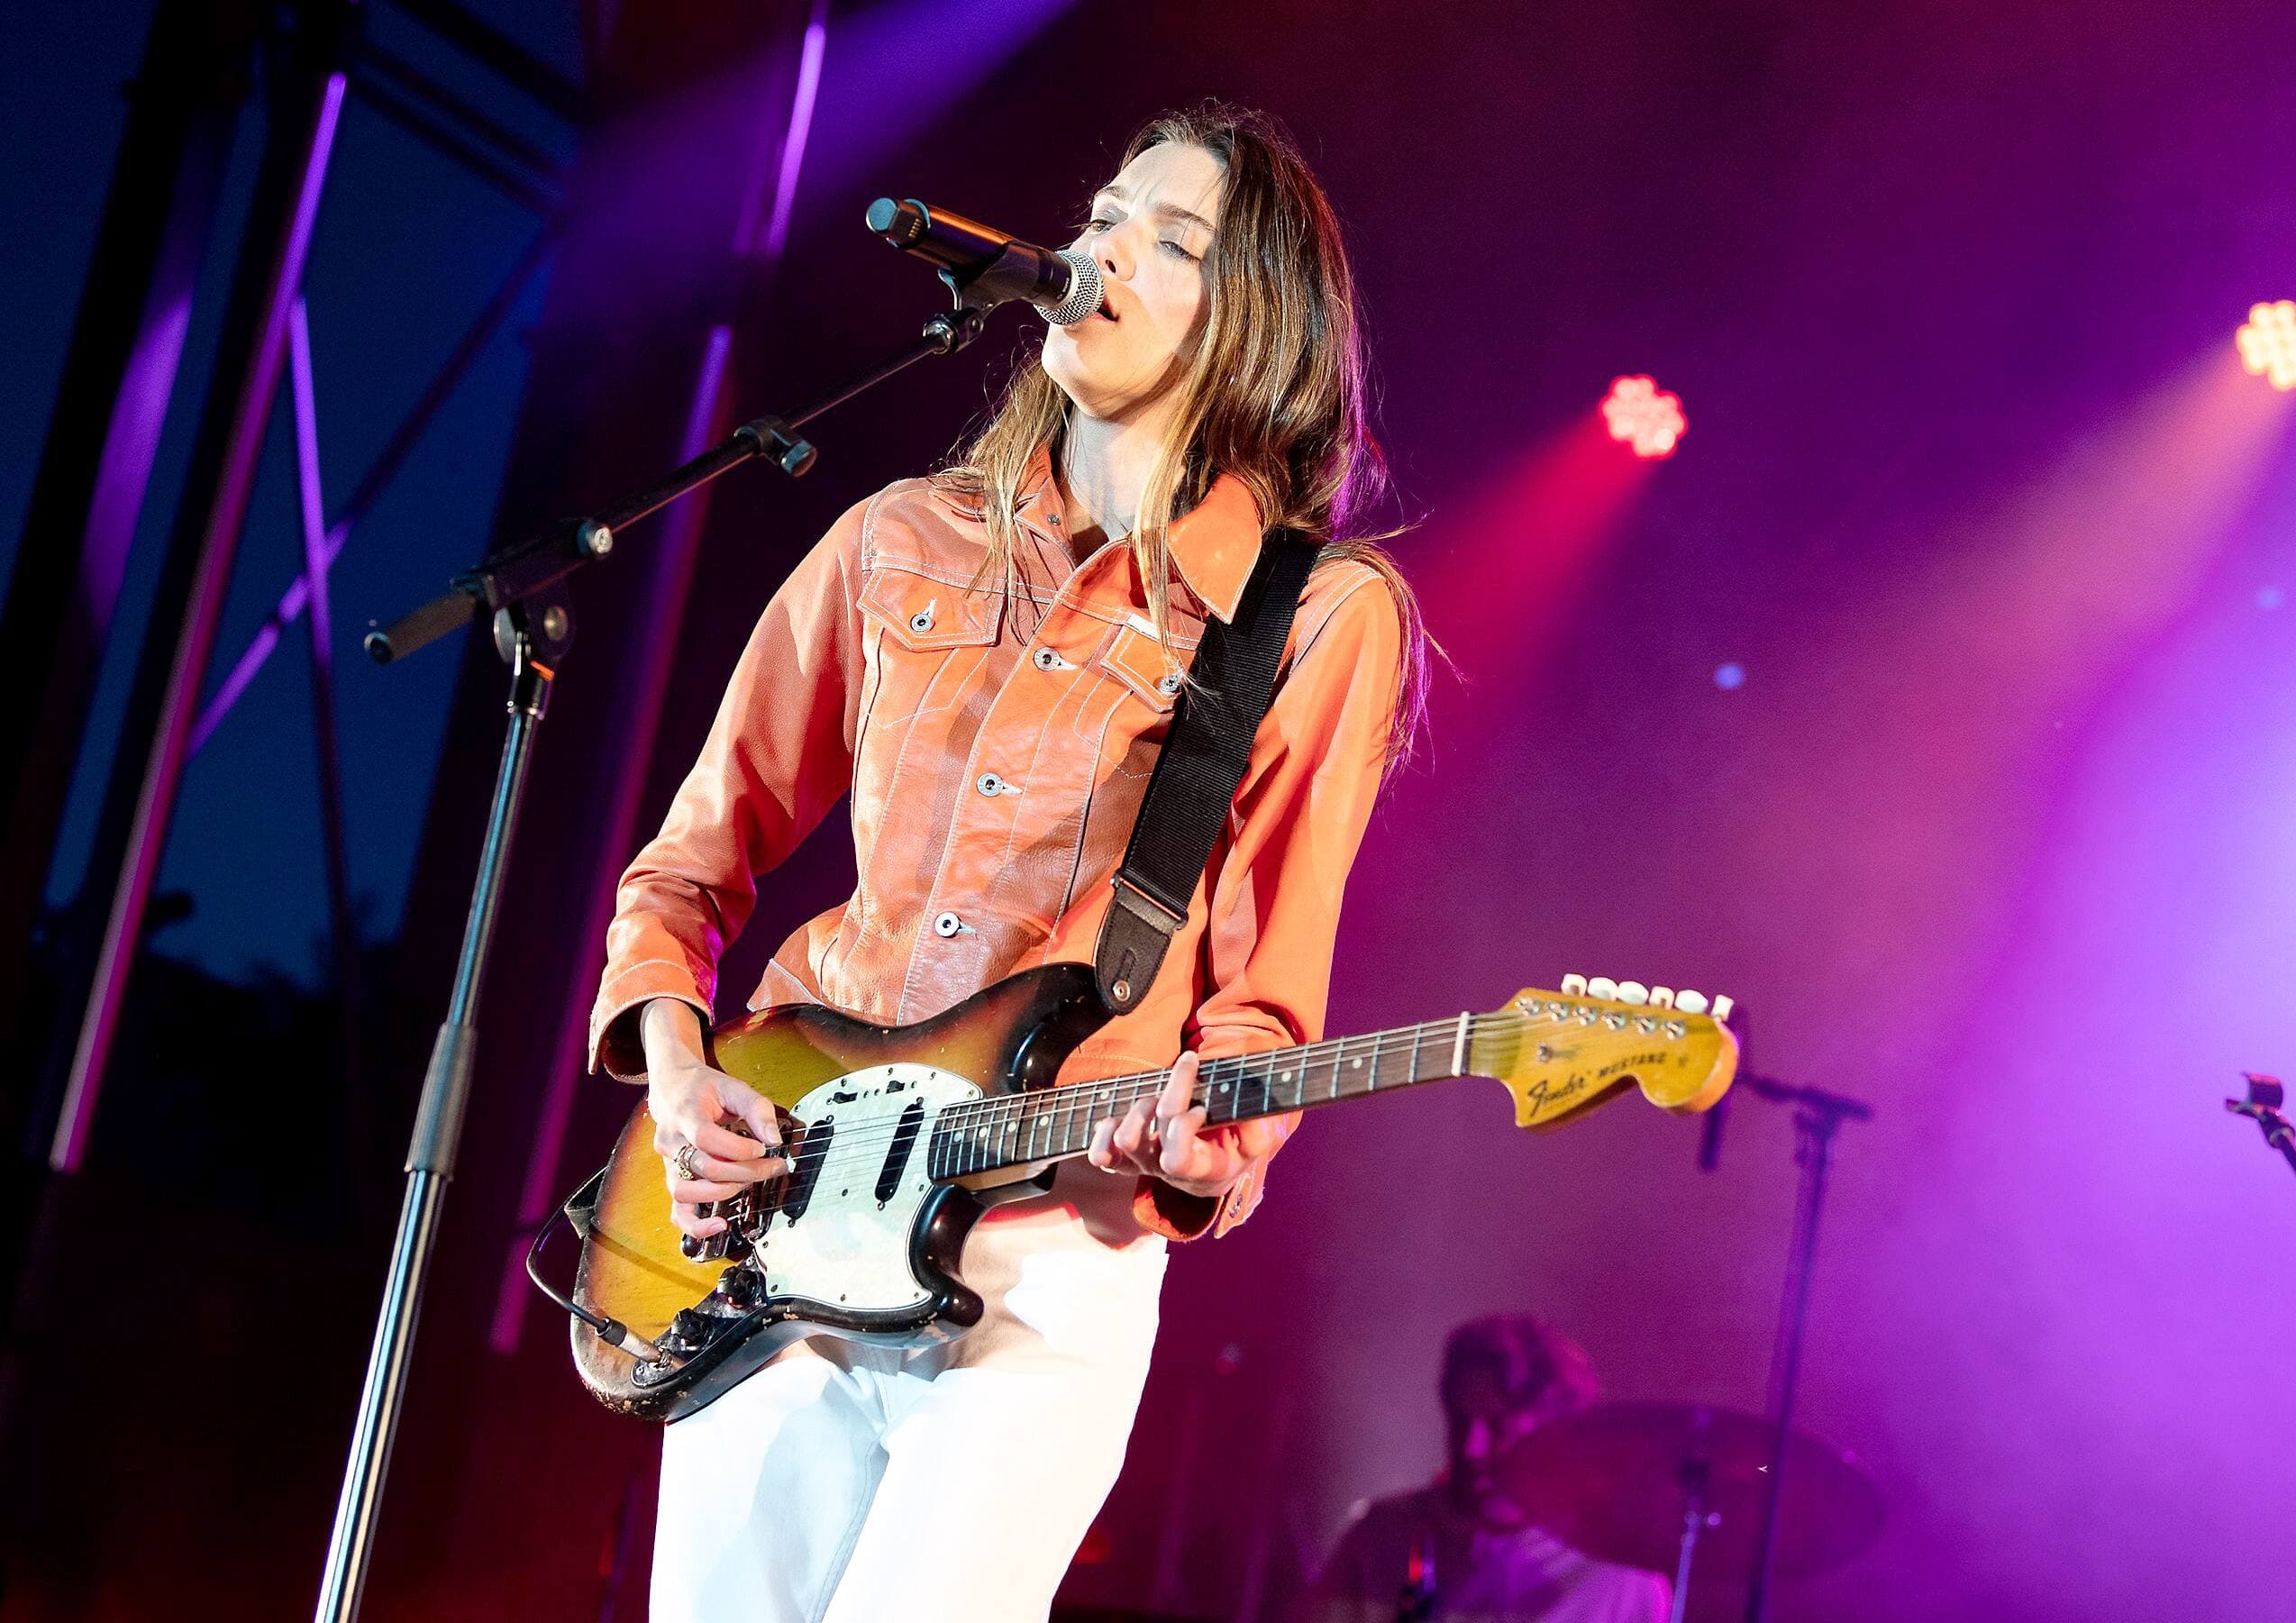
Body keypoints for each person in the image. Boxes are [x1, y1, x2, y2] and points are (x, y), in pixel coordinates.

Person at [586, 103, 1425, 1623]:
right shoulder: (899, 539)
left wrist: (1201, 1150)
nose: (1102, 245)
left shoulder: (1316, 616)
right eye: (1103, 211)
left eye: (1170, 238)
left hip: (1047, 1257)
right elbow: (687, 867)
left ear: (1256, 325)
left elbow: (1263, 995)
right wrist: (677, 1069)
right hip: (779, 1220)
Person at [1291, 1316, 1672, 1623]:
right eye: (1460, 1422)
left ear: (1557, 1434)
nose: (1471, 1449)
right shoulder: (1382, 1538)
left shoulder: (1621, 1582)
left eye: (1498, 1427)